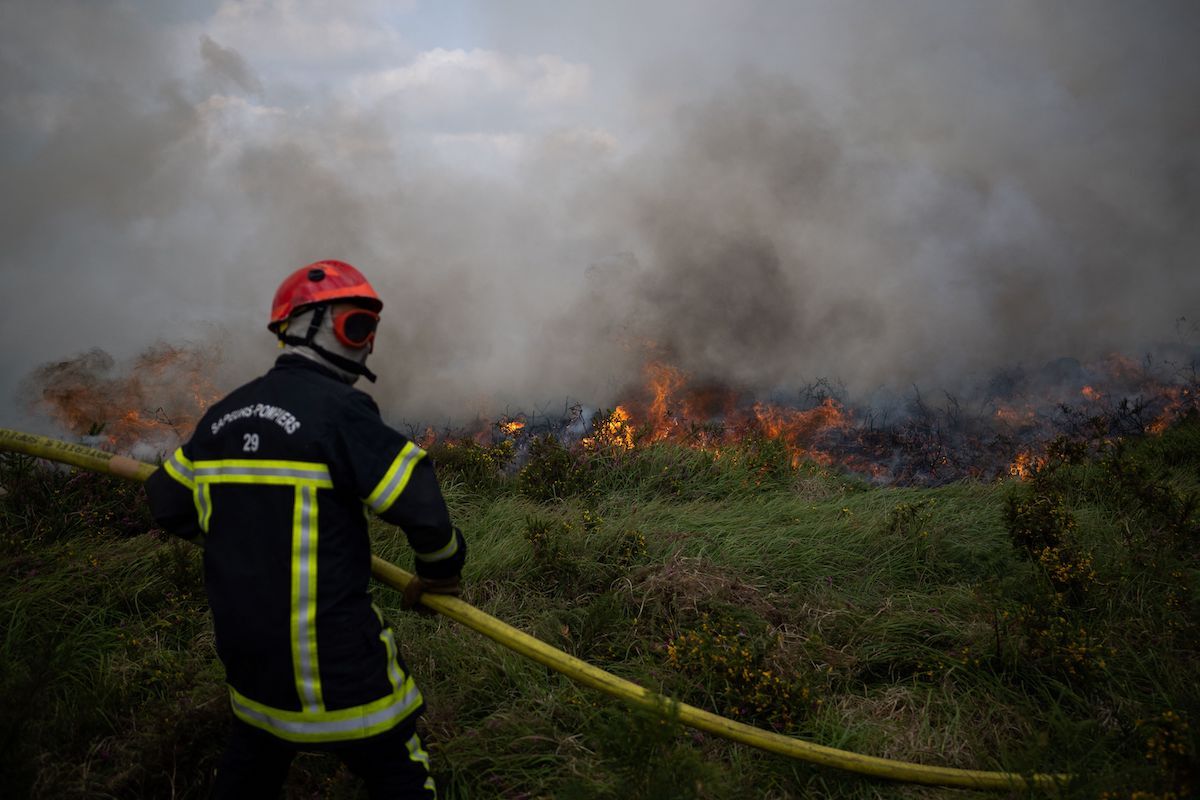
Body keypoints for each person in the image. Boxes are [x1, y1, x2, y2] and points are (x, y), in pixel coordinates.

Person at [145, 259, 466, 799]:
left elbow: (168, 504)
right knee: (401, 777)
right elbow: (421, 505)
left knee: (249, 772)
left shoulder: (223, 415)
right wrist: (441, 573)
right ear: (303, 327)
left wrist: (244, 535)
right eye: (356, 327)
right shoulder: (340, 412)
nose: (366, 345)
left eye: (371, 330)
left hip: (253, 678)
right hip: (341, 674)